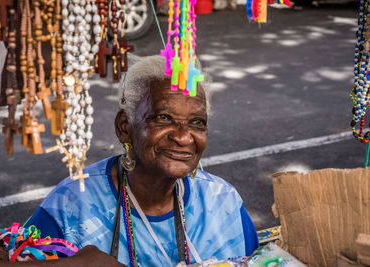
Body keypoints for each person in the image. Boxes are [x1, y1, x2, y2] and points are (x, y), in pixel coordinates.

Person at [24, 55, 259, 267]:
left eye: (197, 122)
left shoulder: (223, 202)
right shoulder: (71, 205)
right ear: (124, 127)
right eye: (163, 118)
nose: (182, 136)